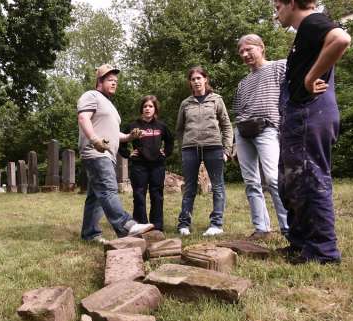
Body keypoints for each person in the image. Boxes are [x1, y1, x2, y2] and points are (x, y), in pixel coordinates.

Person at [273, 0, 351, 264]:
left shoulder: (313, 22)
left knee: (311, 179)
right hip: (300, 117)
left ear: (292, 3)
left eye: (278, 6)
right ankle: (300, 243)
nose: (277, 13)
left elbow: (341, 39)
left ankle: (322, 251)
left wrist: (310, 77)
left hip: (310, 114)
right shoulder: (306, 31)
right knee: (291, 182)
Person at [78, 64, 154, 243]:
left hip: (107, 154)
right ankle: (126, 225)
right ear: (99, 81)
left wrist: (128, 136)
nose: (114, 83)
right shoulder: (91, 96)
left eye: (116, 81)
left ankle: (90, 234)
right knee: (108, 189)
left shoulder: (110, 106)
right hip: (95, 153)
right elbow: (83, 118)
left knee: (95, 197)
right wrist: (94, 139)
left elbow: (113, 133)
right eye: (110, 80)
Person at [233, 34, 289, 239]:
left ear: (261, 48)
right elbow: (238, 110)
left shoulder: (279, 67)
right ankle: (261, 228)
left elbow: (297, 86)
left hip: (267, 128)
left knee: (274, 178)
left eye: (249, 49)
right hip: (243, 132)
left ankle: (288, 227)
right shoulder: (243, 82)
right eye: (241, 52)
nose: (245, 54)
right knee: (251, 182)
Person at [175, 66, 233, 237]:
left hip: (213, 147)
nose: (196, 81)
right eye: (193, 79)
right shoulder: (186, 103)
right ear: (190, 83)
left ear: (205, 79)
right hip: (190, 149)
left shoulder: (216, 100)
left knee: (218, 186)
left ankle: (216, 224)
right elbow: (179, 129)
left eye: (199, 78)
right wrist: (183, 147)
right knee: (190, 187)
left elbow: (227, 125)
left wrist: (227, 150)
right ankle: (184, 224)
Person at [119, 96, 174, 232]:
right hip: (139, 166)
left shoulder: (161, 126)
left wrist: (165, 153)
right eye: (145, 106)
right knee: (139, 195)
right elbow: (121, 143)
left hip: (157, 166)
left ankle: (157, 226)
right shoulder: (133, 126)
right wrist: (128, 154)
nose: (147, 109)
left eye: (150, 106)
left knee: (157, 195)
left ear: (155, 109)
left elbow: (170, 141)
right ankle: (140, 225)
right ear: (141, 109)